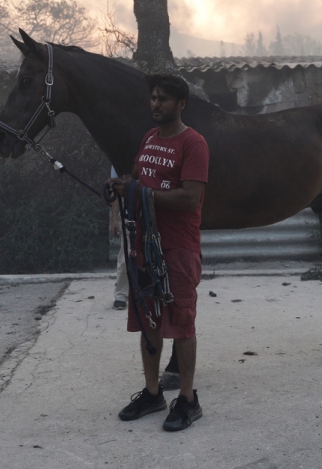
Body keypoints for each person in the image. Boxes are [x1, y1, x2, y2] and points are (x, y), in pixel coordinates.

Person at [108, 74, 209, 432]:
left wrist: (140, 193)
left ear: (181, 104)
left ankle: (187, 400)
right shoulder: (149, 139)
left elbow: (190, 197)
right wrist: (122, 188)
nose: (156, 104)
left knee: (182, 323)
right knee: (148, 320)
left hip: (178, 248)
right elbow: (137, 179)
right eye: (153, 98)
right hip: (144, 246)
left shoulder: (193, 143)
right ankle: (153, 394)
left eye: (164, 99)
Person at [109, 166, 128, 310]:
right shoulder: (117, 162)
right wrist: (114, 219)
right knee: (126, 257)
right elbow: (114, 191)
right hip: (128, 214)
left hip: (151, 212)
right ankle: (121, 295)